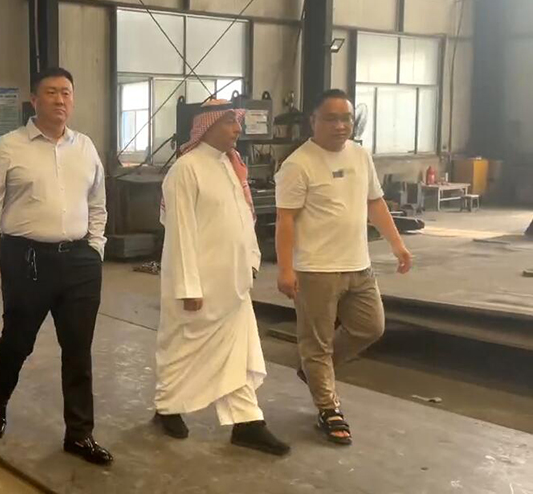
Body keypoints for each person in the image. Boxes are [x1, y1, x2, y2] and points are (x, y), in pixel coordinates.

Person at [0, 67, 113, 466]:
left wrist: (95, 248)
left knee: (78, 349)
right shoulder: (9, 146)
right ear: (34, 100)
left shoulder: (85, 147)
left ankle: (79, 434)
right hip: (26, 260)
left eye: (66, 92)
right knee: (18, 342)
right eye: (51, 92)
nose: (60, 99)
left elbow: (98, 203)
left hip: (80, 262)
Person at [275, 88, 412, 446]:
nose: (340, 126)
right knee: (316, 343)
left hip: (358, 265)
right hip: (316, 270)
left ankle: (313, 370)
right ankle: (328, 408)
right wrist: (286, 269)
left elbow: (375, 202)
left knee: (370, 327)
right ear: (313, 121)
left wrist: (397, 244)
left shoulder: (360, 156)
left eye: (346, 118)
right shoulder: (298, 164)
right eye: (331, 119)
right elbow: (285, 220)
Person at [153, 101, 290, 456]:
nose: (237, 129)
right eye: (230, 122)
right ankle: (167, 407)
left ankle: (248, 423)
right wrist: (188, 287)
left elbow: (243, 218)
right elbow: (180, 233)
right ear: (207, 125)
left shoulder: (230, 165)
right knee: (181, 349)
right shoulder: (185, 170)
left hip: (234, 283)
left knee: (238, 353)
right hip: (199, 285)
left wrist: (253, 260)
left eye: (237, 122)